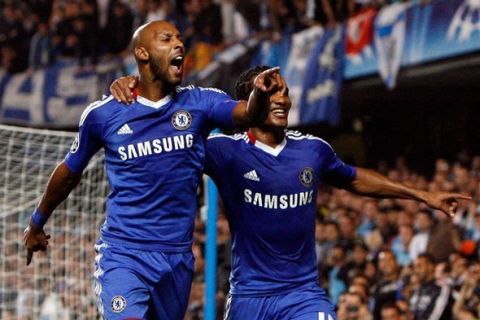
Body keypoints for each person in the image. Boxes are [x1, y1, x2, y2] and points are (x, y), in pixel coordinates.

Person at [110, 66, 470, 319]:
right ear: (250, 103)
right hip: (249, 298)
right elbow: (166, 139)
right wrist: (137, 89)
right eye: (271, 90)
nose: (282, 98)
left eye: (284, 90)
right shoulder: (223, 151)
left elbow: (355, 178)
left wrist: (423, 195)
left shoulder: (312, 149)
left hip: (302, 294)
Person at [23, 21, 282, 320]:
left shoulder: (201, 103)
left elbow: (246, 113)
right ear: (143, 53)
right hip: (124, 253)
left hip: (177, 258)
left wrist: (260, 95)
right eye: (166, 38)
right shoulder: (104, 114)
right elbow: (69, 172)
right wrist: (37, 222)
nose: (179, 44)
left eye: (180, 38)